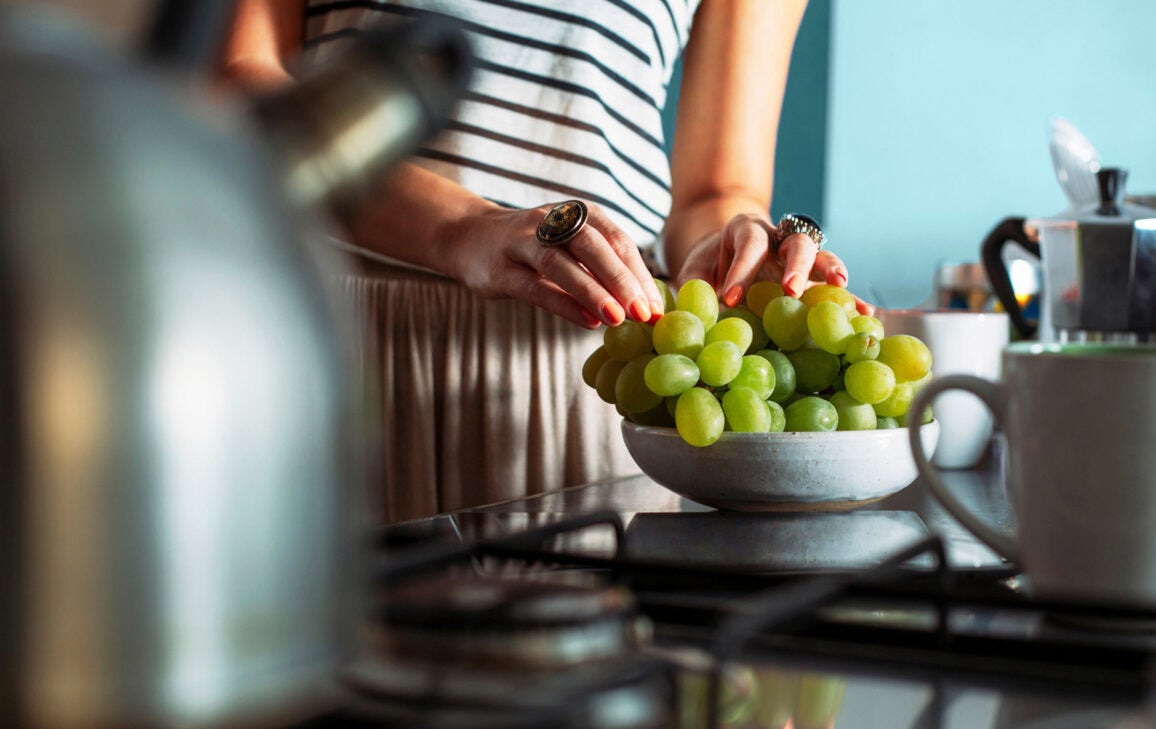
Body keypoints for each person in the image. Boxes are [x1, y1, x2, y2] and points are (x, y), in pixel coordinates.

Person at [219, 0, 862, 520]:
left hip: (579, 364)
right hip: (330, 344)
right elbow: (239, 87)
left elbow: (714, 190)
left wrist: (727, 244)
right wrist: (463, 226)